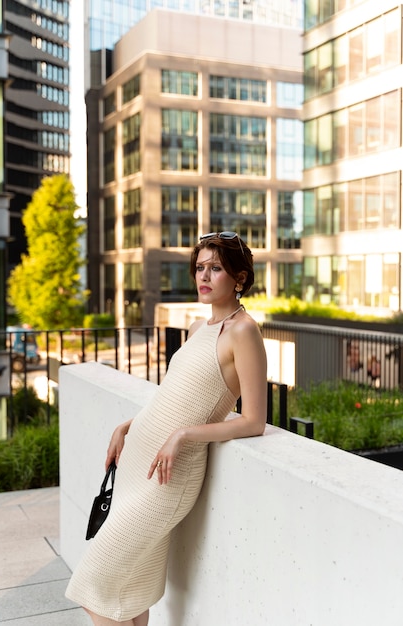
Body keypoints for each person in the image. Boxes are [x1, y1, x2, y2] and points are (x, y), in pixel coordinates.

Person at [65, 231, 268, 626]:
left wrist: (183, 435)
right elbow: (176, 396)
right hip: (137, 465)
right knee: (131, 589)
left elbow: (254, 421)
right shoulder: (197, 327)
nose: (204, 276)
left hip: (168, 478)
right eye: (200, 267)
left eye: (216, 268)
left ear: (239, 278)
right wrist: (128, 426)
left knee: (96, 583)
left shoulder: (244, 332)